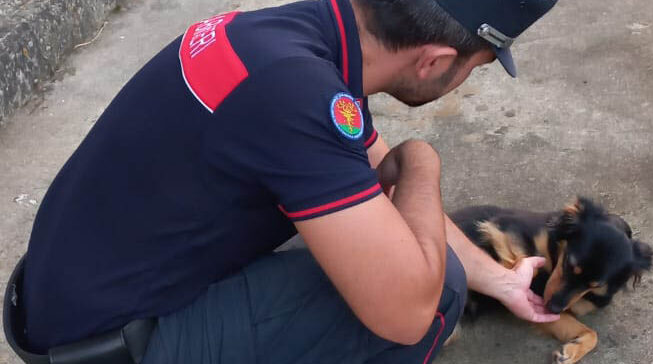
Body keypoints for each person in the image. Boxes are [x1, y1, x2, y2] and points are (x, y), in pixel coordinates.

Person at [9, 0, 560, 363]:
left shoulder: (299, 36)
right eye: (475, 66)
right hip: (110, 343)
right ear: (434, 61)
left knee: (368, 234)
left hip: (70, 298)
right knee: (436, 295)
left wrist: (504, 280)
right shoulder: (300, 96)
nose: (464, 80)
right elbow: (406, 310)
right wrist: (422, 161)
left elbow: (372, 172)